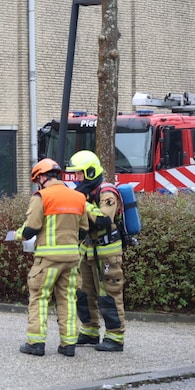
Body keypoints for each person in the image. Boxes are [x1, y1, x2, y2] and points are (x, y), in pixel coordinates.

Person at [16, 158, 90, 357]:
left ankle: (36, 343)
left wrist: (18, 234)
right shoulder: (78, 197)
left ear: (41, 177)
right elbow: (83, 231)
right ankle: (68, 345)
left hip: (47, 260)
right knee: (68, 299)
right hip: (72, 259)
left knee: (40, 297)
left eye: (36, 179)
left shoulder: (42, 196)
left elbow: (31, 228)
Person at [67, 150, 128, 352]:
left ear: (91, 172)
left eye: (79, 174)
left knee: (108, 295)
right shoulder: (84, 193)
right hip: (87, 251)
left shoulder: (106, 192)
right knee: (84, 293)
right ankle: (90, 331)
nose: (77, 178)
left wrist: (81, 204)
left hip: (107, 252)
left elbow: (104, 220)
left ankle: (115, 337)